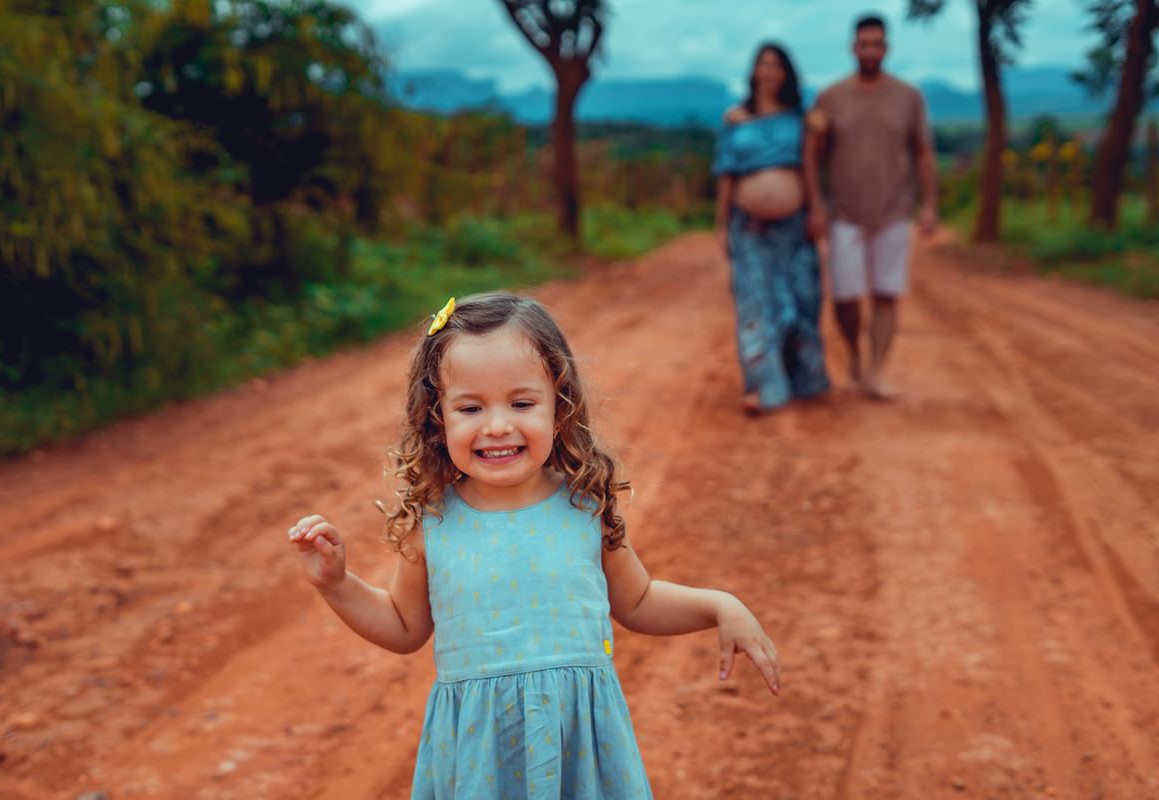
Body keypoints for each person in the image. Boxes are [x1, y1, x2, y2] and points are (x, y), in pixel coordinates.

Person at [286, 292, 782, 799]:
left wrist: (719, 605)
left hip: (580, 746)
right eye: (471, 407)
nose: (498, 425)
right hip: (481, 756)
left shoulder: (585, 505)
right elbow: (403, 624)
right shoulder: (432, 521)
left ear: (559, 407)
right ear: (438, 418)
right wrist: (336, 584)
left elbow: (637, 600)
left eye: (522, 403)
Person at [804, 13, 938, 399]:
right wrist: (816, 202)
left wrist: (929, 205)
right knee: (845, 297)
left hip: (894, 209)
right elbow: (812, 155)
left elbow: (923, 152)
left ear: (886, 47)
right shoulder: (830, 96)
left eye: (876, 43)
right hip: (844, 212)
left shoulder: (908, 96)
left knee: (885, 292)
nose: (870, 50)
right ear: (853, 47)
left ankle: (876, 371)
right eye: (863, 43)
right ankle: (856, 358)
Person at [713, 43, 831, 415]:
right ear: (753, 71)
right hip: (749, 227)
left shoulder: (801, 117)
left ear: (787, 73)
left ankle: (805, 379)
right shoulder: (735, 117)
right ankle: (765, 386)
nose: (769, 71)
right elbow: (727, 172)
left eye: (776, 65)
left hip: (795, 226)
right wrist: (719, 224)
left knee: (801, 298)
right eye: (763, 64)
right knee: (756, 302)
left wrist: (816, 207)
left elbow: (810, 166)